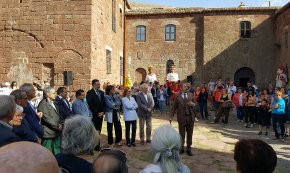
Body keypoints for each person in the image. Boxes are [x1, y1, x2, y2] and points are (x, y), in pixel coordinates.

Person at [170, 83, 195, 156]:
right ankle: (181, 148)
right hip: (181, 118)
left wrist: (193, 104)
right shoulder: (177, 96)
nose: (186, 88)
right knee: (181, 134)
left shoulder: (190, 94)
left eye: (187, 86)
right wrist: (171, 115)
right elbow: (174, 107)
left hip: (190, 117)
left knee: (190, 134)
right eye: (185, 86)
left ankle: (189, 148)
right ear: (181, 88)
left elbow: (195, 105)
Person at [37, 87, 62, 155]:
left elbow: (58, 115)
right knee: (46, 151)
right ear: (47, 94)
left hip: (57, 131)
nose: (55, 94)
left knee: (57, 149)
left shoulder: (55, 103)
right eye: (53, 93)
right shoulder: (42, 104)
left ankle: (57, 162)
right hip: (48, 131)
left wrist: (61, 124)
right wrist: (57, 126)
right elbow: (46, 118)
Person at [86, 79, 106, 151]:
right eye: (97, 84)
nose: (99, 85)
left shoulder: (101, 92)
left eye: (99, 84)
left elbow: (104, 103)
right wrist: (97, 113)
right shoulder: (90, 93)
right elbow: (90, 104)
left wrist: (103, 112)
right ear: (93, 85)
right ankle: (92, 145)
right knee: (94, 130)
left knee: (99, 130)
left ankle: (98, 145)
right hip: (94, 115)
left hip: (101, 115)